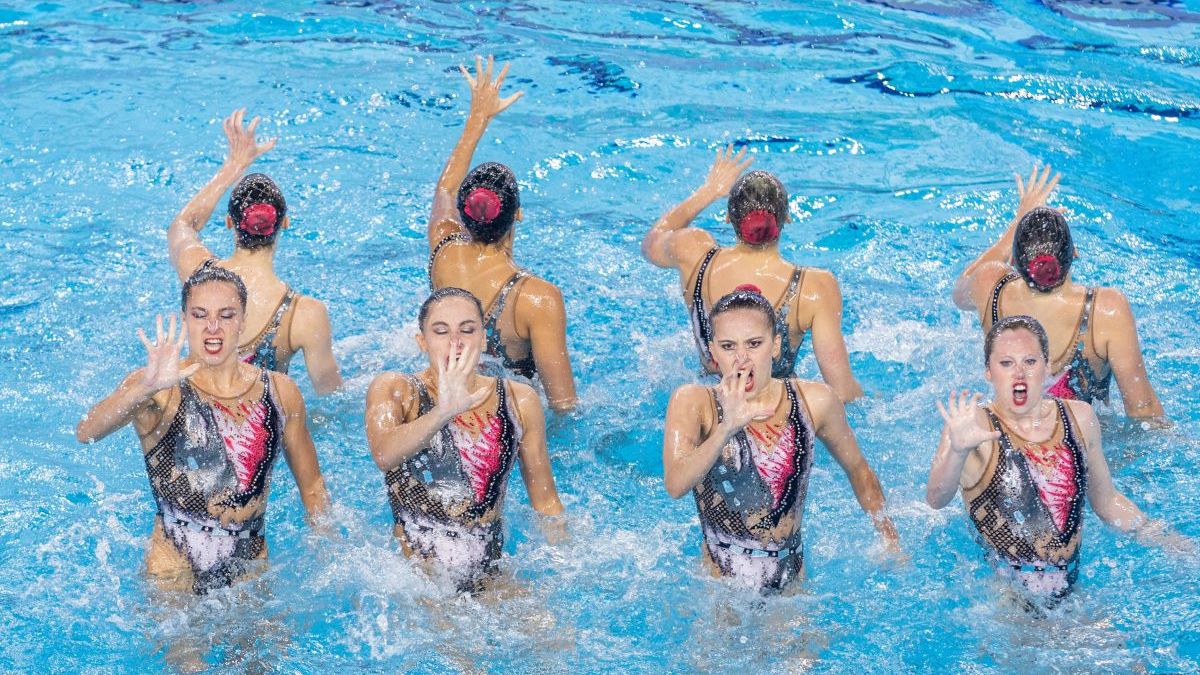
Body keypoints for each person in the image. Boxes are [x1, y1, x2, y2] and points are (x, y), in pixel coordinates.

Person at [76, 265, 330, 594]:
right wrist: (144, 388)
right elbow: (87, 432)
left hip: (248, 568)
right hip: (174, 573)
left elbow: (312, 487)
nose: (213, 327)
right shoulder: (160, 387)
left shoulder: (281, 393)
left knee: (270, 646)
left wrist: (328, 552)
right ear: (184, 319)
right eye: (200, 315)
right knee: (183, 648)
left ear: (243, 320)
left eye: (226, 315)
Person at [926, 315, 1190, 604]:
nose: (1019, 374)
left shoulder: (1079, 417)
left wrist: (1170, 541)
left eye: (1030, 362)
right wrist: (958, 450)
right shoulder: (973, 426)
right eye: (1006, 363)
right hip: (1007, 599)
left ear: (1047, 366)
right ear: (988, 371)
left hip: (1070, 588)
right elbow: (937, 498)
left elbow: (1107, 501)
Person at [661, 286, 898, 594]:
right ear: (713, 351)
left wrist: (890, 538)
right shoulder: (695, 403)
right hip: (719, 586)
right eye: (728, 346)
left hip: (791, 583)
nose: (742, 360)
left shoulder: (814, 401)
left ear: (775, 345)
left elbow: (858, 470)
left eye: (754, 344)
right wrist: (726, 428)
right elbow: (675, 483)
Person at [365, 287, 565, 593]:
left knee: (556, 636)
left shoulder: (518, 400)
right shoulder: (397, 389)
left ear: (483, 339)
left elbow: (546, 501)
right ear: (422, 341)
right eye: (441, 331)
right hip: (420, 585)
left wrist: (567, 556)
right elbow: (384, 453)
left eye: (467, 330)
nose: (455, 343)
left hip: (491, 578)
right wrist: (444, 412)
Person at [641, 146, 862, 402]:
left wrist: (709, 190)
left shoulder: (694, 253)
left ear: (727, 218)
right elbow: (842, 391)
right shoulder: (813, 286)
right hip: (772, 409)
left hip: (708, 401)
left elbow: (650, 242)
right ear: (786, 219)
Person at [425, 56, 576, 412]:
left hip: (443, 398)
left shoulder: (443, 249)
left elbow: (445, 191)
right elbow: (564, 403)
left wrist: (477, 118)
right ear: (518, 215)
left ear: (463, 217)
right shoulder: (537, 299)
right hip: (500, 411)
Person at [953, 165, 1163, 420]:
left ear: (1016, 260)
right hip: (1075, 449)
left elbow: (960, 292)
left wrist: (1015, 227)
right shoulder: (1105, 310)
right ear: (1073, 254)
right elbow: (1143, 410)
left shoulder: (989, 284)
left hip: (1006, 433)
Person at [167, 109, 342, 394]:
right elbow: (331, 396)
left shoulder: (199, 276)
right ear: (284, 223)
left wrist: (233, 165)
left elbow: (182, 225)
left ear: (228, 223)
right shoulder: (305, 315)